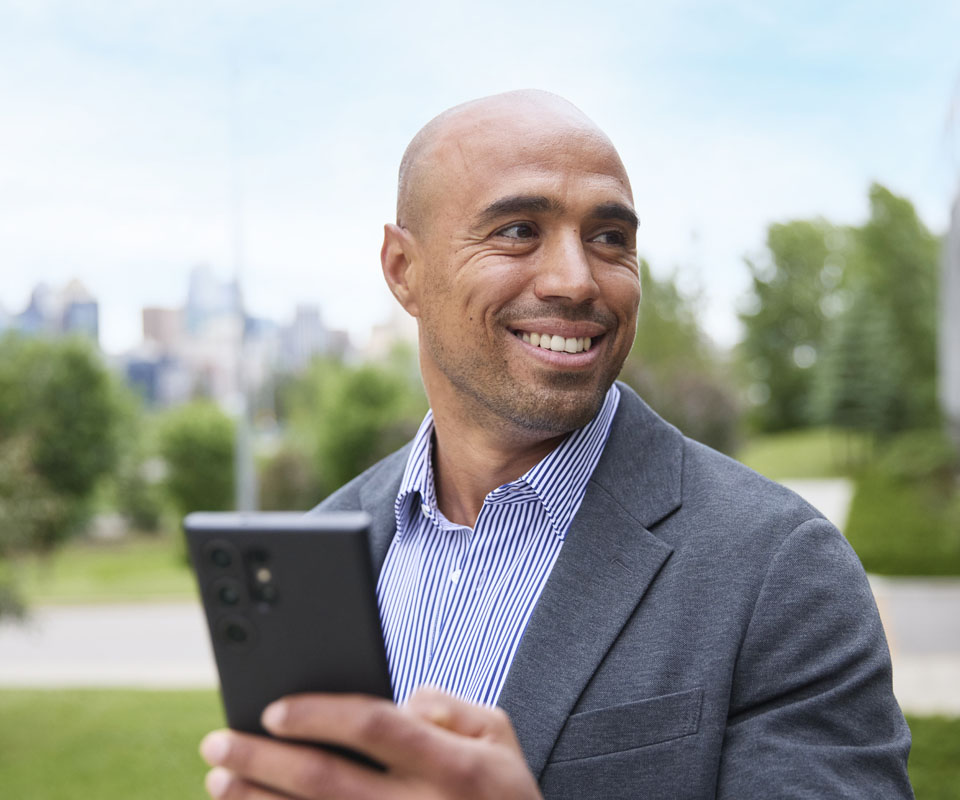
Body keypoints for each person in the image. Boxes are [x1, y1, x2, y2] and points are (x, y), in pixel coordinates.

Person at [199, 90, 914, 799]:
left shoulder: (780, 569)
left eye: (610, 238)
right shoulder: (325, 543)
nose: (576, 280)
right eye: (517, 230)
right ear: (402, 270)